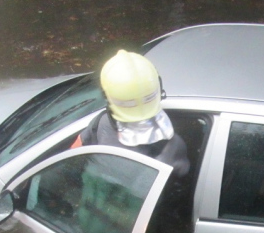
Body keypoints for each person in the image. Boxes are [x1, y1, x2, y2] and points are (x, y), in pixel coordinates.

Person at [71, 50, 190, 179]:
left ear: (107, 96)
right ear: (158, 87)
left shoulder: (100, 123)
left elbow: (72, 159)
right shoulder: (175, 144)